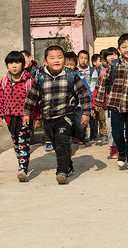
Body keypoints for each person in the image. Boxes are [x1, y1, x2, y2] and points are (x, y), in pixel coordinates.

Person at [23, 46, 91, 184]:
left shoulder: (71, 75)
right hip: (47, 118)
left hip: (66, 115)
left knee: (62, 139)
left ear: (64, 60)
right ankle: (69, 165)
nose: (56, 60)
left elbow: (83, 94)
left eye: (60, 57)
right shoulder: (41, 76)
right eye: (52, 58)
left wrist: (86, 112)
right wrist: (26, 113)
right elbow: (32, 96)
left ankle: (62, 171)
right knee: (57, 144)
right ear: (45, 61)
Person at [96, 34, 128, 173]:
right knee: (116, 133)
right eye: (124, 47)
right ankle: (121, 152)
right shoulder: (114, 64)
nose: (127, 49)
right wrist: (98, 101)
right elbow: (104, 82)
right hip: (115, 104)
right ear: (119, 49)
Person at [0, 51, 41, 182]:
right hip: (10, 118)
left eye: (18, 62)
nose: (14, 66)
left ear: (23, 65)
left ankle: (23, 169)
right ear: (6, 66)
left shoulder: (29, 82)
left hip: (25, 118)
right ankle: (21, 163)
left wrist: (37, 117)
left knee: (23, 143)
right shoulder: (4, 82)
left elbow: (36, 101)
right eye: (11, 63)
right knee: (15, 143)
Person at [92, 47, 119, 158]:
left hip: (122, 104)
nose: (112, 57)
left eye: (115, 54)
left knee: (121, 128)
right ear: (105, 59)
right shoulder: (101, 72)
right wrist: (95, 104)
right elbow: (97, 88)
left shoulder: (123, 68)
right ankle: (113, 147)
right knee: (110, 127)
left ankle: (121, 147)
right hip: (108, 105)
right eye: (109, 55)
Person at [65, 51, 92, 149]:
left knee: (81, 125)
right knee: (67, 127)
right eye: (66, 64)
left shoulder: (79, 75)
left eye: (71, 64)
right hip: (67, 107)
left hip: (80, 106)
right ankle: (68, 146)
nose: (69, 67)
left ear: (75, 65)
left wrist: (90, 104)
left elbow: (86, 90)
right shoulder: (61, 76)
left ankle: (81, 138)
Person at [89, 53, 102, 141]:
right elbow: (93, 86)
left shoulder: (101, 69)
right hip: (95, 97)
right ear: (94, 62)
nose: (101, 62)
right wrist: (92, 99)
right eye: (99, 60)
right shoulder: (95, 71)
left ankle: (102, 133)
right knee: (94, 117)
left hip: (100, 97)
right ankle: (93, 134)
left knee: (101, 116)